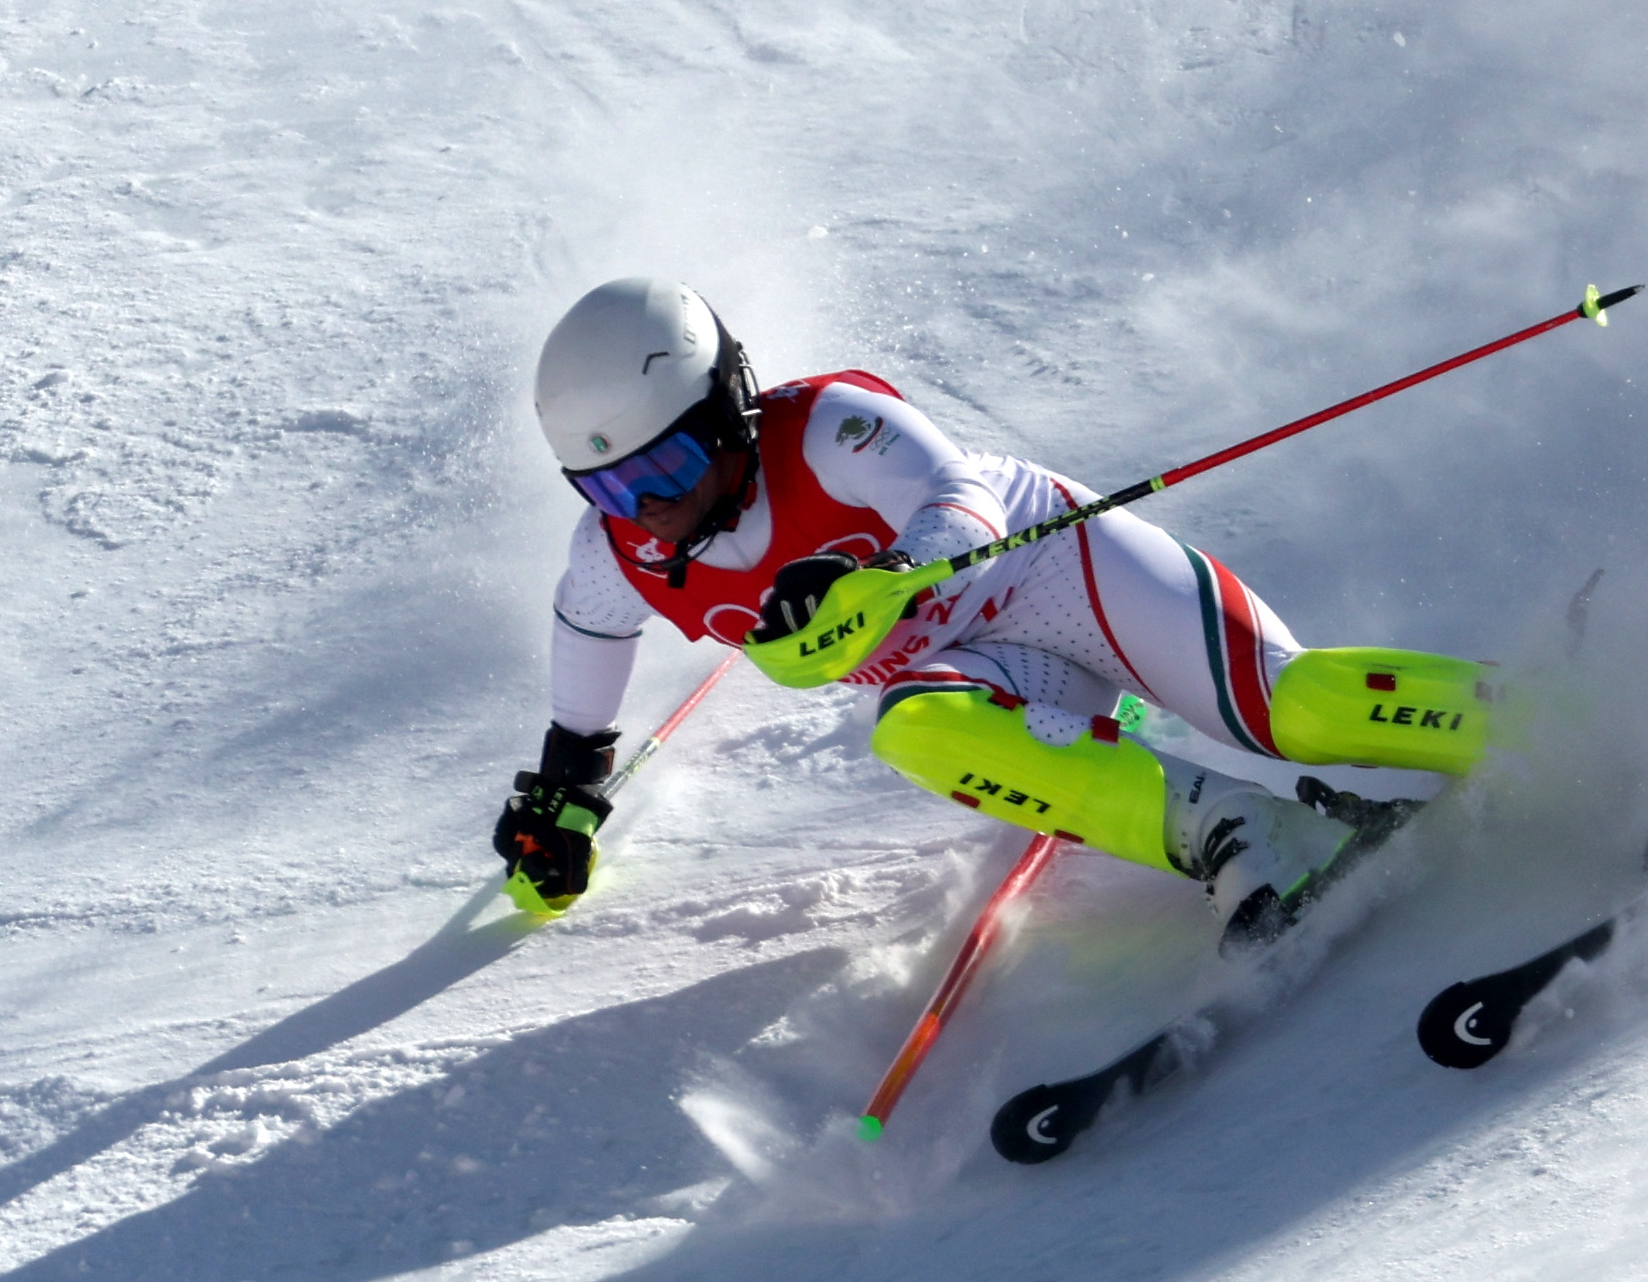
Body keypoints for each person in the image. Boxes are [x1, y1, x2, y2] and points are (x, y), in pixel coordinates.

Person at [495, 277, 1489, 941]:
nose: (651, 507)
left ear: (726, 410)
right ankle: (1249, 834)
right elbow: (590, 638)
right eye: (612, 488)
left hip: (1065, 573)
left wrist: (881, 574)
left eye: (665, 464)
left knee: (1286, 710)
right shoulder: (623, 553)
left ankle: (1528, 714)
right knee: (916, 724)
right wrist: (567, 797)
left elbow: (958, 496)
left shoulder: (831, 424)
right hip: (994, 667)